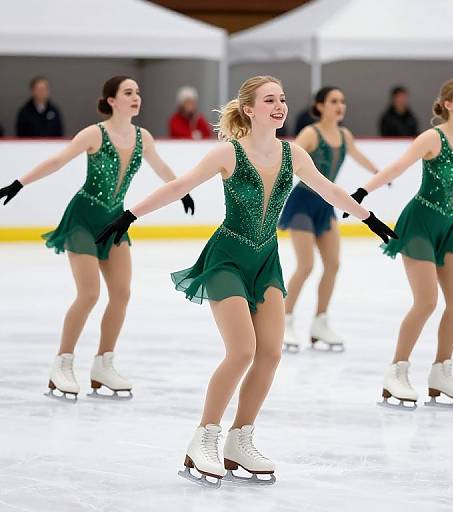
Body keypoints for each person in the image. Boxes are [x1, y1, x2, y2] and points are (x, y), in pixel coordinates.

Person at [95, 75, 397, 487]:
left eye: (283, 99)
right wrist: (129, 215)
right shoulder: (228, 153)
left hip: (265, 260)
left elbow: (329, 190)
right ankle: (204, 436)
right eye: (269, 99)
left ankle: (240, 439)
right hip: (228, 260)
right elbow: (179, 185)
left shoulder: (294, 154)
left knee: (271, 353)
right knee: (242, 351)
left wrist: (370, 218)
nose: (279, 106)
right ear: (250, 109)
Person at [0, 76, 195, 401]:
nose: (136, 97)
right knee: (89, 293)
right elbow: (57, 160)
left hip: (115, 221)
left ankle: (104, 364)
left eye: (138, 92)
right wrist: (19, 183)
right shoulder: (95, 133)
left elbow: (162, 167)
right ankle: (62, 363)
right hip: (83, 219)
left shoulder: (143, 137)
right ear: (111, 100)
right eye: (128, 93)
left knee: (121, 293)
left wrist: (181, 191)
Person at [346, 78, 453, 409]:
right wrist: (363, 192)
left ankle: (441, 371)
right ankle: (397, 370)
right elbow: (397, 166)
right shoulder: (432, 138)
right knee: (426, 301)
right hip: (420, 224)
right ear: (448, 104)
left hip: (448, 228)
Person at [279, 86, 381, 351]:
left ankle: (319, 322)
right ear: (320, 105)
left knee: (333, 264)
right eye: (334, 101)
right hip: (302, 202)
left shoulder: (345, 136)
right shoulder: (311, 133)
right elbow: (287, 157)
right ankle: (284, 321)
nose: (340, 106)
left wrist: (380, 173)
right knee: (306, 265)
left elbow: (358, 156)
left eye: (342, 101)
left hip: (326, 205)